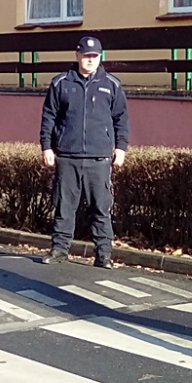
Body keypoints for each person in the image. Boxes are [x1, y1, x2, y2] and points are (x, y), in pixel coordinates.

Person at [40, 36, 129, 268]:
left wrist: (121, 148)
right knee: (64, 207)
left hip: (99, 158)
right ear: (77, 55)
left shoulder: (112, 84)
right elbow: (49, 116)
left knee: (101, 208)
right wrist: (47, 146)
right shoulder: (60, 82)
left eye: (95, 56)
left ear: (100, 57)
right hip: (67, 155)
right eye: (86, 56)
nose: (90, 60)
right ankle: (59, 251)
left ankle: (104, 255)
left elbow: (121, 119)